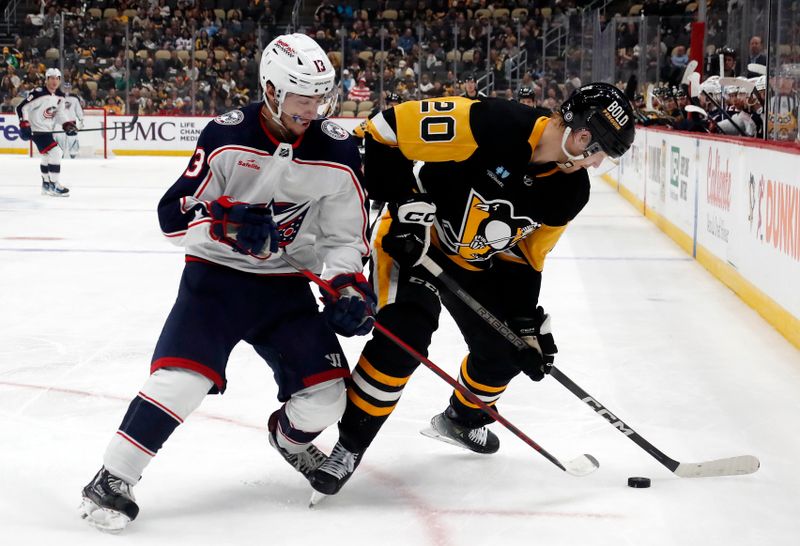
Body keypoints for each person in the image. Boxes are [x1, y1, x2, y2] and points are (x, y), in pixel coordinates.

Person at [78, 33, 375, 533]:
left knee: (328, 398)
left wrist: (347, 288)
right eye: (304, 97)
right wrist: (222, 223)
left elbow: (345, 238)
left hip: (284, 288)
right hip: (215, 279)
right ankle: (112, 478)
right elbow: (172, 218)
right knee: (182, 380)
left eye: (322, 97)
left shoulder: (340, 151)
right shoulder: (226, 135)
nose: (316, 108)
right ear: (272, 89)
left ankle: (289, 438)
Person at [307, 83, 636, 497]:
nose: (596, 163)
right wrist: (404, 204)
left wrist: (524, 325)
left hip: (472, 260)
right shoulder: (492, 123)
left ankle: (462, 418)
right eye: (599, 152)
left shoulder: (570, 191)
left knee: (507, 352)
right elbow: (382, 131)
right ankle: (349, 446)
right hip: (416, 242)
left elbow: (526, 258)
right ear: (582, 136)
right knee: (405, 337)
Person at [16, 68, 77, 196]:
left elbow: (60, 113)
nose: (55, 81)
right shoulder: (38, 93)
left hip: (48, 131)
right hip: (37, 131)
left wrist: (67, 125)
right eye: (52, 78)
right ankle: (54, 185)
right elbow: (22, 107)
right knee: (56, 152)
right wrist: (24, 125)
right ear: (47, 79)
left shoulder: (60, 96)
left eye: (57, 78)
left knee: (46, 156)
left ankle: (46, 185)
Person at [54, 82, 84, 159]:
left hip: (71, 121)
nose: (67, 90)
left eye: (68, 88)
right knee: (60, 137)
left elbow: (78, 110)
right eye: (65, 88)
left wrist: (81, 119)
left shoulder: (75, 99)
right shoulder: (57, 98)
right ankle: (60, 152)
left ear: (71, 89)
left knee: (72, 137)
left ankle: (73, 152)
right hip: (61, 121)